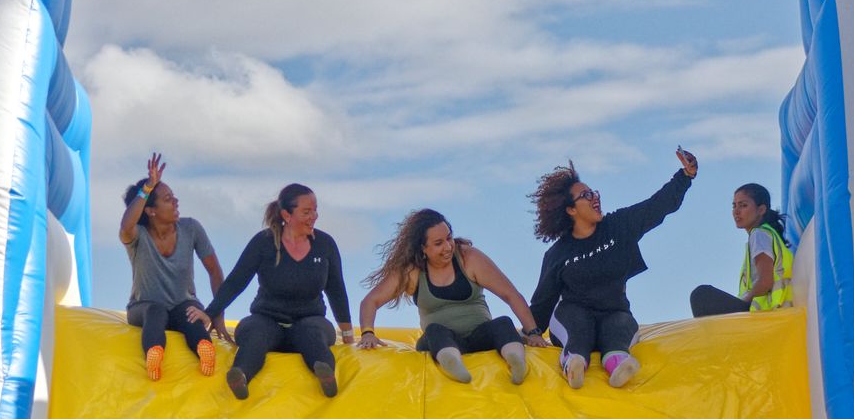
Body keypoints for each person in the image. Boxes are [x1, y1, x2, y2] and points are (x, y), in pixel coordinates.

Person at [527, 148, 698, 389]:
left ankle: (618, 364)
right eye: (586, 195)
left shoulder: (618, 226)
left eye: (594, 192)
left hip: (613, 312)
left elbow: (656, 206)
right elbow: (542, 303)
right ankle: (574, 363)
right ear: (570, 210)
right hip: (572, 316)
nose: (595, 198)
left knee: (619, 326)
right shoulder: (557, 254)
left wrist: (685, 176)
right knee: (579, 327)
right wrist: (530, 333)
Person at [193, 183, 353, 400]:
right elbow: (237, 280)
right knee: (253, 332)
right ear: (287, 215)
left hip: (309, 319)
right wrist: (210, 312)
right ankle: (240, 375)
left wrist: (348, 335)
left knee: (313, 334)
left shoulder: (324, 244)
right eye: (306, 212)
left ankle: (326, 374)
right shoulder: (264, 242)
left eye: (315, 210)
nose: (314, 217)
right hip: (267, 318)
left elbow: (336, 289)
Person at [357, 208, 549, 384]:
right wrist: (367, 333)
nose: (448, 247)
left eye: (449, 238)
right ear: (423, 248)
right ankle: (451, 362)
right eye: (438, 243)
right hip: (442, 340)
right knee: (434, 331)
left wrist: (533, 332)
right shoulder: (413, 271)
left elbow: (510, 294)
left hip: (480, 337)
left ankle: (515, 359)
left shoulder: (468, 258)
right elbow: (371, 301)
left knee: (503, 323)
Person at [119, 152, 224, 381]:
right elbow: (126, 226)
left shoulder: (191, 228)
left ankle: (205, 350)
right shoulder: (138, 236)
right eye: (168, 199)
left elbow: (214, 271)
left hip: (182, 303)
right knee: (156, 312)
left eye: (173, 197)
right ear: (151, 210)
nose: (176, 202)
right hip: (144, 307)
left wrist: (217, 314)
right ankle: (154, 355)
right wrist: (148, 187)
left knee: (190, 314)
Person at [690, 182, 794, 317]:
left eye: (743, 205)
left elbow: (765, 281)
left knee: (702, 295)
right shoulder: (768, 235)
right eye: (734, 206)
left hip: (765, 313)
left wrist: (743, 302)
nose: (736, 211)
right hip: (773, 311)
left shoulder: (759, 235)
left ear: (761, 210)